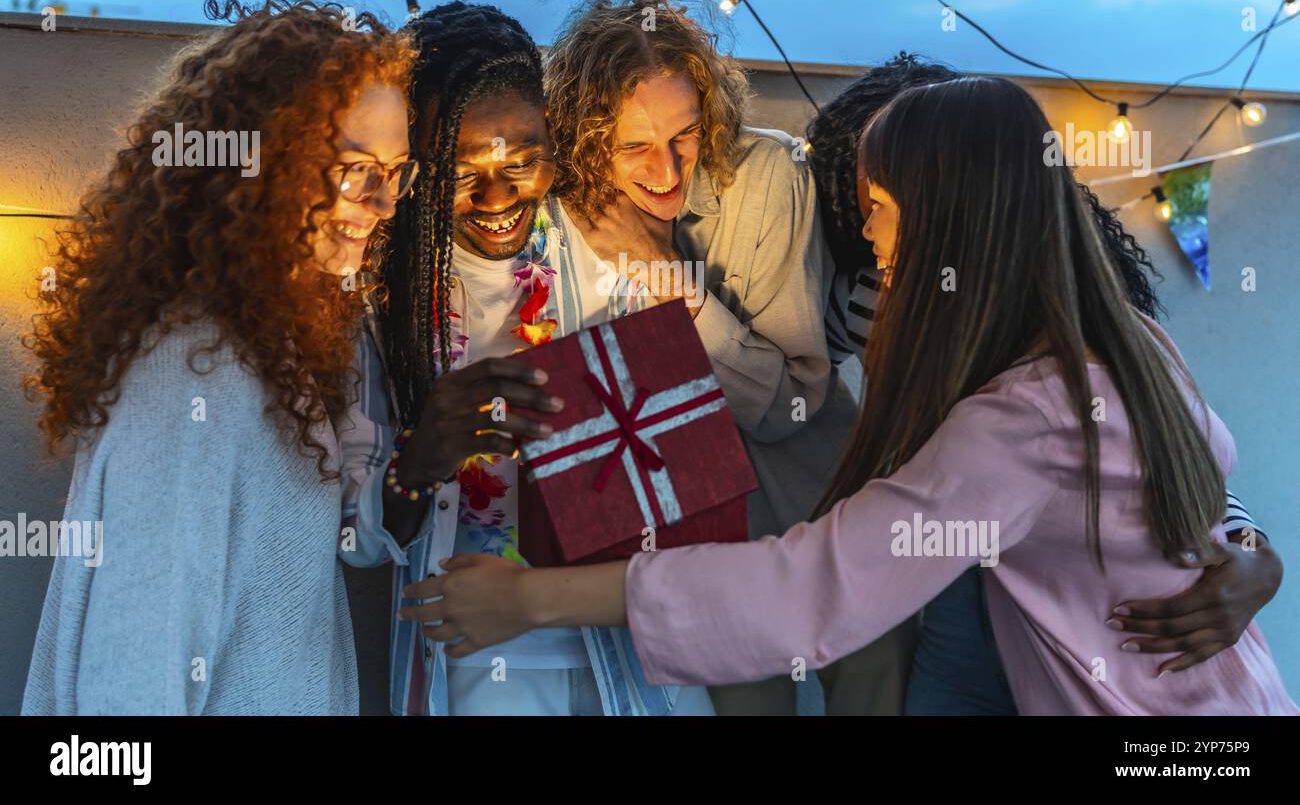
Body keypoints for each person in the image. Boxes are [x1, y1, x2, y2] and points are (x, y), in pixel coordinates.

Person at [404, 76, 1297, 716]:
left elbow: (810, 589)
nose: (867, 234)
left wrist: (532, 600)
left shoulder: (1019, 424)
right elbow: (1190, 490)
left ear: (944, 215)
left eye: (877, 205)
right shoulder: (1131, 342)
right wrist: (1250, 547)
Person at [808, 53, 1283, 715]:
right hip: (959, 585)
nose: (871, 225)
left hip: (1078, 591)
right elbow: (796, 392)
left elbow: (1174, 457)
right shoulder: (871, 295)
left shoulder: (1092, 311)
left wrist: (1256, 555)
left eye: (889, 196)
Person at [22, 0, 415, 714]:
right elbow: (130, 686)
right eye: (357, 169)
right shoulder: (192, 374)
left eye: (397, 171)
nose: (385, 201)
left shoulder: (278, 345)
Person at [337, 1, 713, 716]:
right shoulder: (381, 303)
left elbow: (687, 482)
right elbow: (355, 543)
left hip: (627, 644)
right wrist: (418, 461)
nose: (499, 195)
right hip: (477, 657)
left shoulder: (612, 255)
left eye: (526, 157)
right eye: (462, 169)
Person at [543, 0, 861, 714]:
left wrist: (678, 292)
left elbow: (794, 403)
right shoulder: (563, 209)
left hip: (816, 519)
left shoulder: (768, 175)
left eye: (684, 134)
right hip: (684, 551)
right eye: (633, 147)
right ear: (587, 142)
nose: (667, 169)